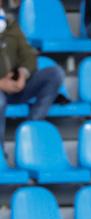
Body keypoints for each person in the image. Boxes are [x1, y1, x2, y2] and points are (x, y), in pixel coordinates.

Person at [0, 8, 65, 150]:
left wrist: (23, 74)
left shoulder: (10, 24)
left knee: (55, 73)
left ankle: (32, 135)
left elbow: (28, 55)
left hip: (17, 85)